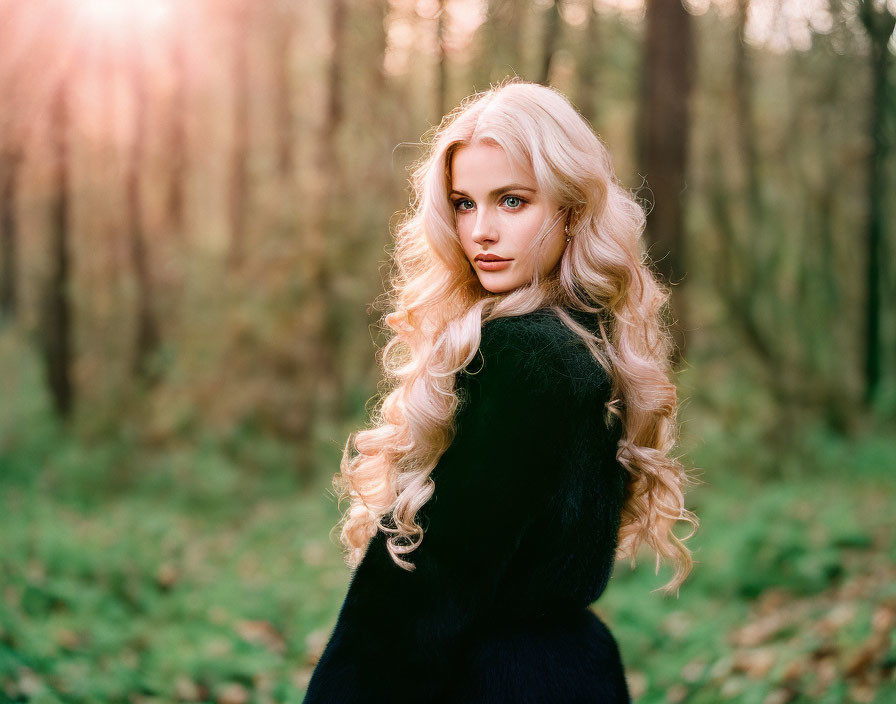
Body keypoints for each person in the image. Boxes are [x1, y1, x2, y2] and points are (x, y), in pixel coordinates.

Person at [302, 78, 699, 703]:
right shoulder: (590, 345)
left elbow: (434, 582)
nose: (481, 230)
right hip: (572, 671)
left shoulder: (529, 355)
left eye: (511, 201)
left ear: (570, 210)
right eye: (465, 203)